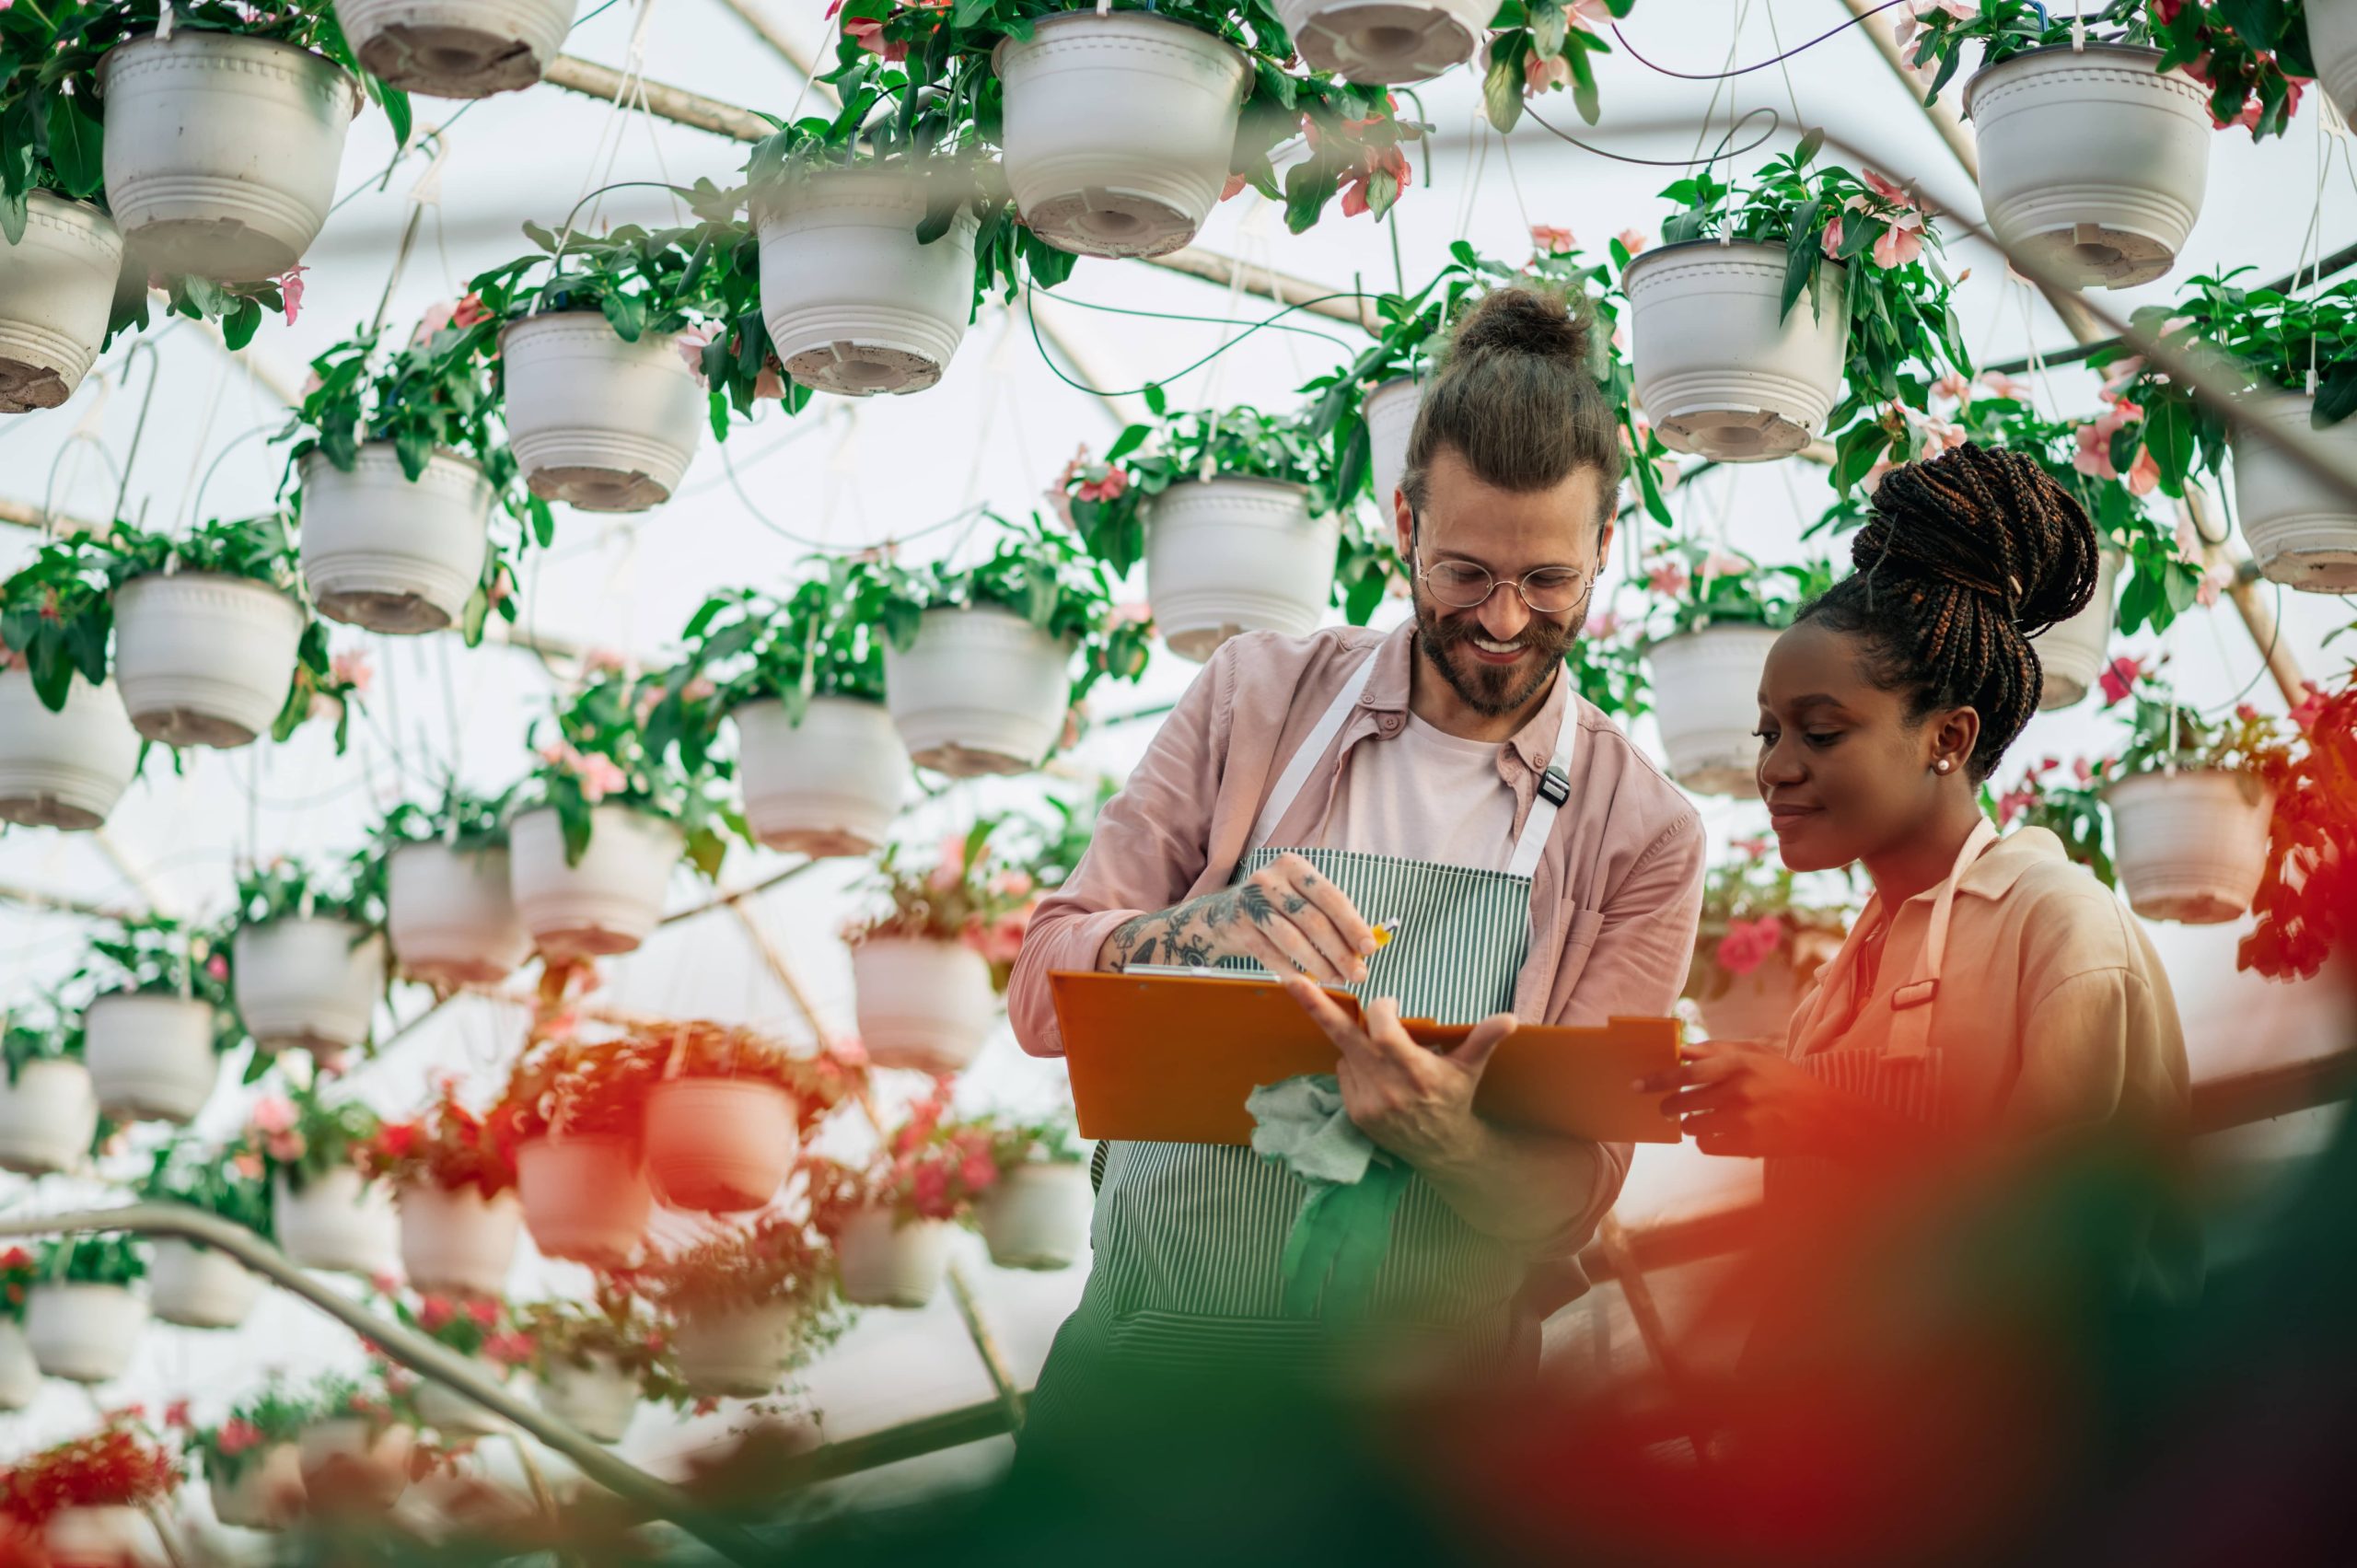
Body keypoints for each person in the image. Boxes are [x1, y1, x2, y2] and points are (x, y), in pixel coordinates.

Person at [1006, 286, 1706, 1428]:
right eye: (1464, 572)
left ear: (1605, 551)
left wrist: (1448, 1137)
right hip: (1145, 1388)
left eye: (1548, 581)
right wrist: (1195, 928)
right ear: (1401, 526)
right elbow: (1041, 994)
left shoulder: (1638, 831)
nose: (1502, 621)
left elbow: (1570, 1196)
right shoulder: (1255, 699)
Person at [1643, 444, 2193, 1280]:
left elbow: (2079, 1246)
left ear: (1949, 738)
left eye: (1820, 732)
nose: (1775, 767)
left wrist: (1824, 1117)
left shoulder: (2058, 926)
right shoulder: (1832, 986)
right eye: (1768, 733)